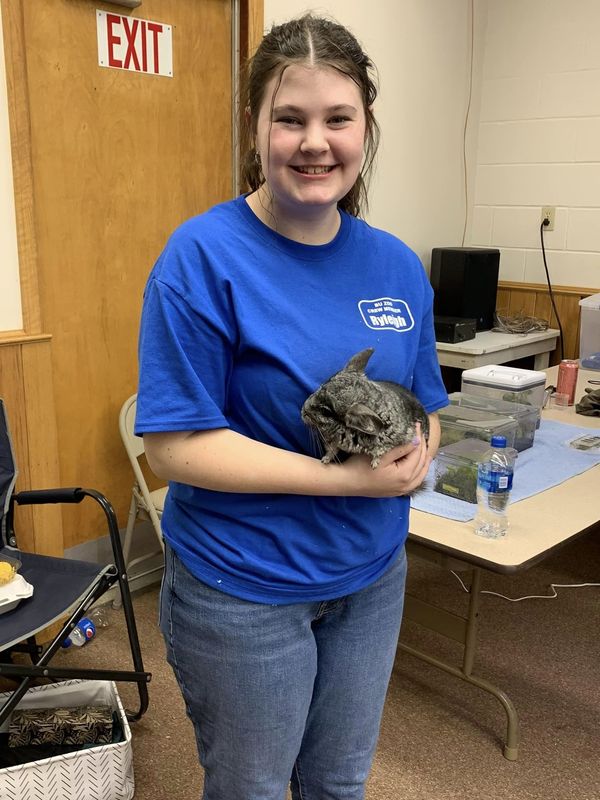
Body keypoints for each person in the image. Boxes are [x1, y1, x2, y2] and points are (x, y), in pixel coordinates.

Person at [135, 13, 448, 800]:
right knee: (253, 790)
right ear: (255, 127)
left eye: (338, 118)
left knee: (339, 784)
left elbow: (426, 402)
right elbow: (175, 448)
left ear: (365, 126)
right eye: (290, 118)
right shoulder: (202, 256)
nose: (316, 142)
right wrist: (350, 481)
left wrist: (419, 447)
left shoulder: (397, 265)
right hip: (244, 586)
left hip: (371, 576)